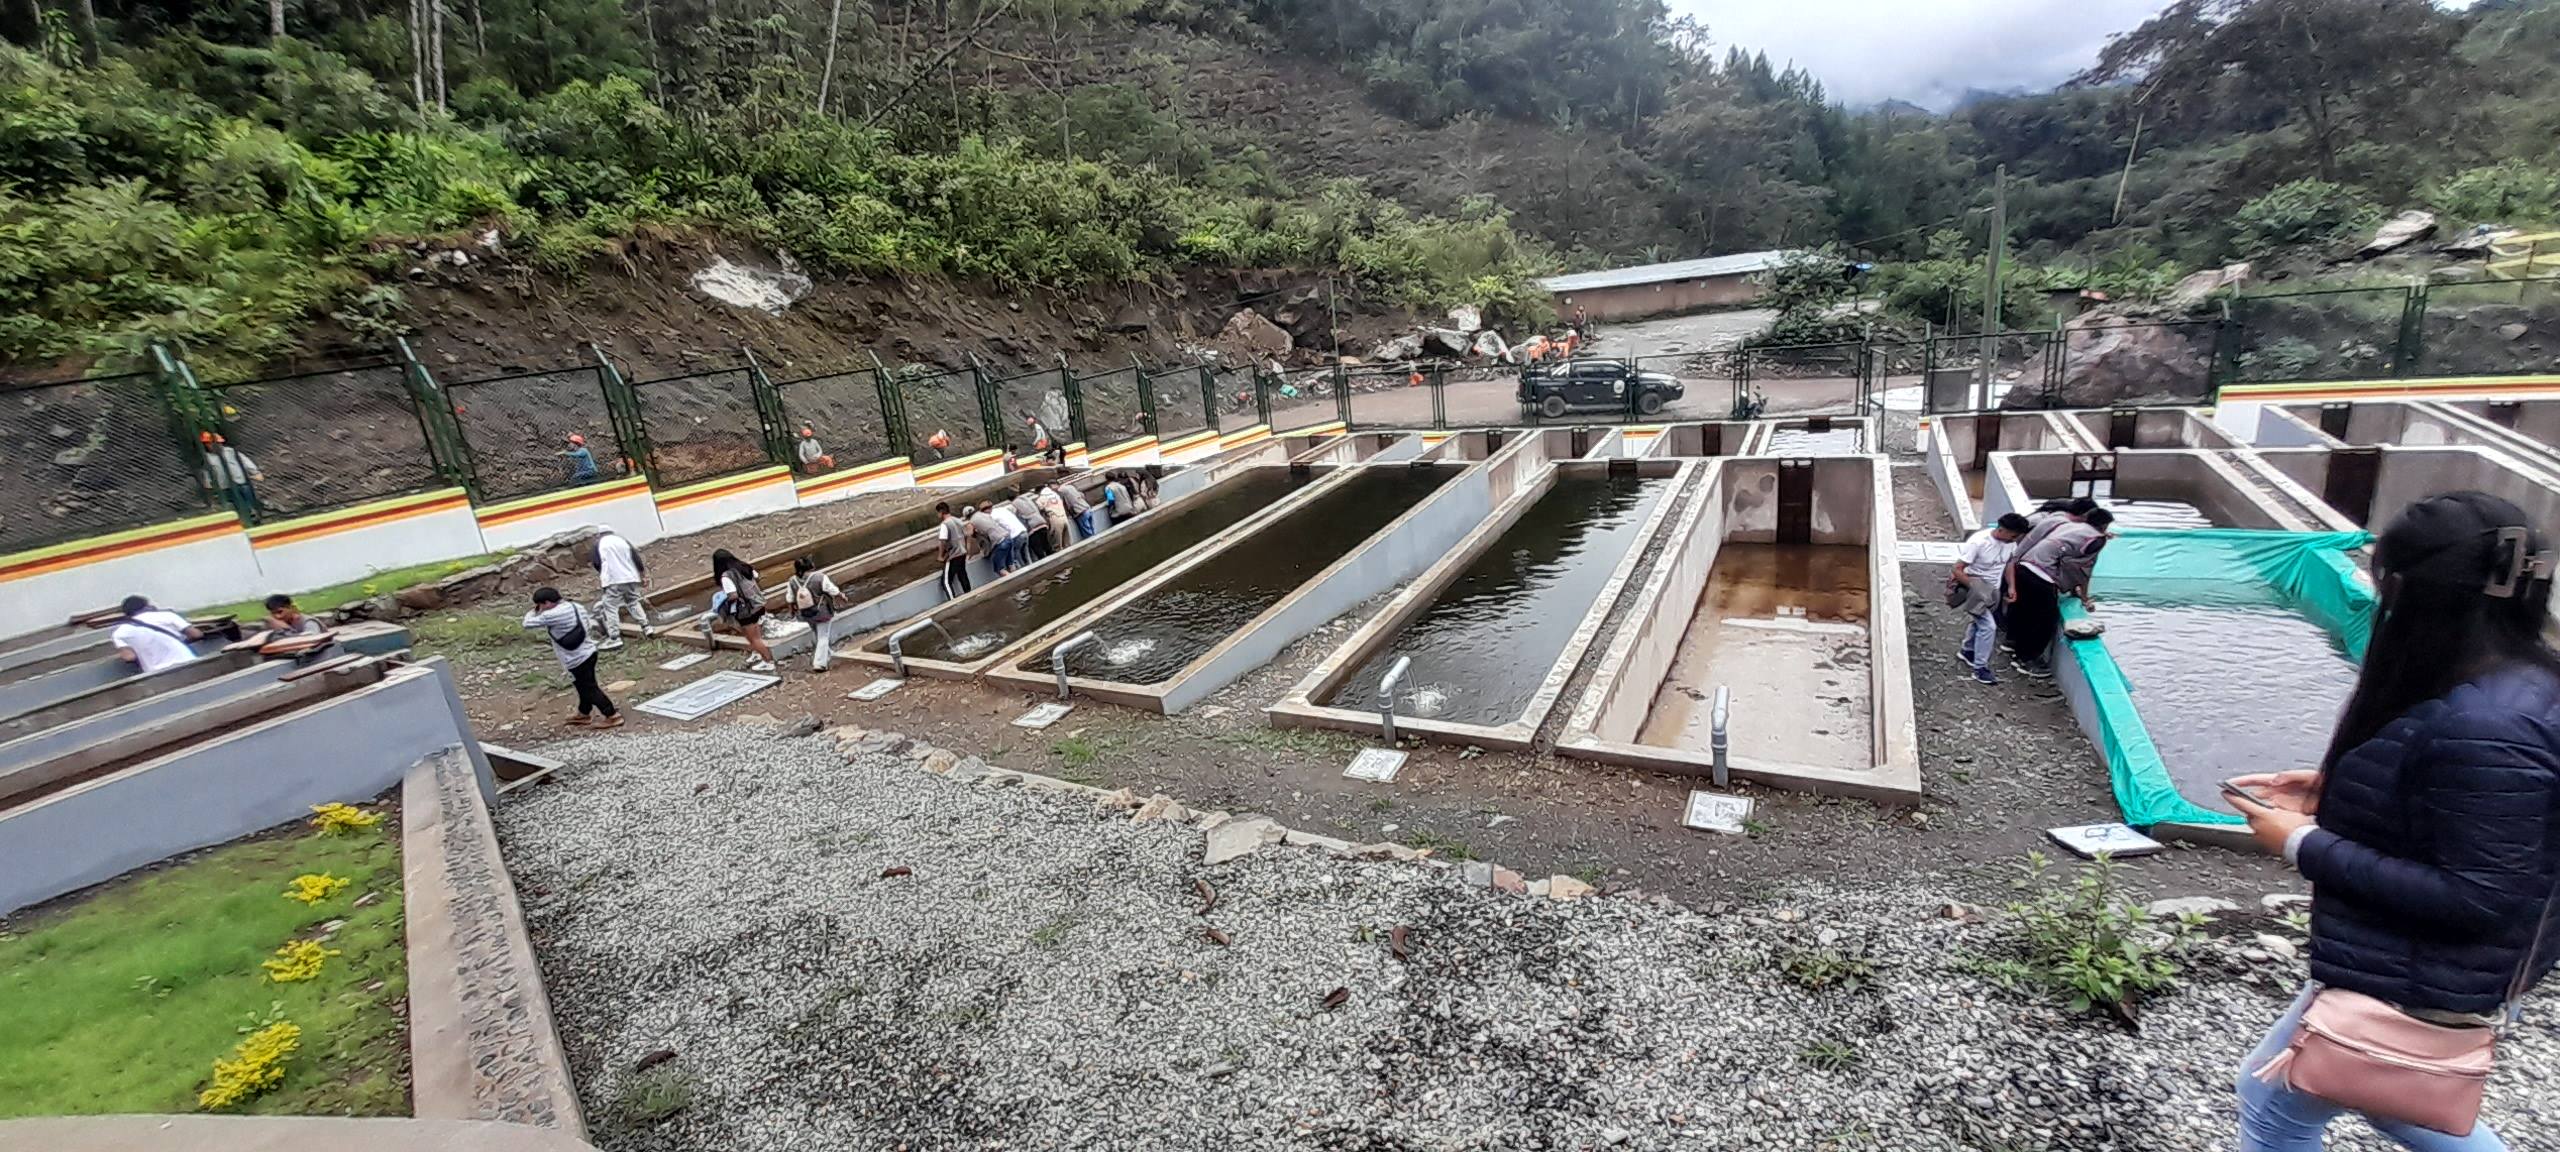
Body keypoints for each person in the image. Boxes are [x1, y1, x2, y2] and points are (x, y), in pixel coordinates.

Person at [2226, 492, 2560, 1152]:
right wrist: (2335, 789)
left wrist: (2300, 843)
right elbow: (2489, 814)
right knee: (2393, 1097)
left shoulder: (2488, 727)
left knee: (2279, 1108)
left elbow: (2479, 894)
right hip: (2443, 969)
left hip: (2426, 974)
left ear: (2407, 589)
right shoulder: (2519, 685)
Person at [2002, 506, 2113, 679]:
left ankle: (2012, 644)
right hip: (2043, 574)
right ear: (2104, 526)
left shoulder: (2070, 525)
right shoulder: (2097, 539)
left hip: (2024, 566)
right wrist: (2083, 596)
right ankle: (2028, 660)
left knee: (2024, 610)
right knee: (2044, 621)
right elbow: (2083, 569)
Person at [1948, 513, 2029, 686]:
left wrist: (2011, 586)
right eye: (2013, 536)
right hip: (1975, 588)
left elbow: (2008, 564)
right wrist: (1975, 587)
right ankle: (1980, 668)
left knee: (1979, 621)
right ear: (2001, 530)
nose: (2014, 539)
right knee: (1988, 626)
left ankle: (1967, 650)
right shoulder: (1978, 542)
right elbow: (1957, 568)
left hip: (1994, 589)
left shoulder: (2010, 543)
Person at [523, 587, 620, 728]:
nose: (541, 608)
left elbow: (527, 623)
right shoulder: (576, 606)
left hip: (576, 658)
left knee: (589, 689)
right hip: (589, 651)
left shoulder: (552, 614)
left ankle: (612, 715)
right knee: (582, 687)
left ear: (547, 603)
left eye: (541, 605)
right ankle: (584, 713)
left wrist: (534, 611)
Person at [708, 549, 778, 672]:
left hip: (745, 610)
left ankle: (768, 661)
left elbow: (733, 595)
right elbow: (757, 577)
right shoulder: (744, 567)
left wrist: (724, 603)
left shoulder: (726, 577)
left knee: (753, 638)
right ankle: (757, 653)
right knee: (756, 635)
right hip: (757, 604)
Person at [110, 595, 202, 675]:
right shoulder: (167, 615)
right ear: (147, 606)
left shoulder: (120, 633)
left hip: (156, 673)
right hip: (188, 662)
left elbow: (129, 657)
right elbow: (196, 634)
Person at [592, 529, 646, 649]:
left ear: (599, 534)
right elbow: (636, 558)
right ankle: (646, 627)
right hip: (630, 577)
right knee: (633, 602)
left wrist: (604, 575)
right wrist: (642, 574)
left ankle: (614, 638)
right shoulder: (622, 540)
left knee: (610, 607)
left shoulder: (599, 543)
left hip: (613, 579)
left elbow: (596, 563)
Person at [788, 557, 842, 673]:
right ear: (810, 566)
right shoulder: (820, 577)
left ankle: (828, 654)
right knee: (823, 636)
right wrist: (842, 596)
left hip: (805, 613)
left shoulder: (792, 581)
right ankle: (819, 663)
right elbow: (833, 590)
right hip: (821, 611)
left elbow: (790, 598)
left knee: (818, 633)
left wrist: (792, 612)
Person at [198, 431, 262, 515]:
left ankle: (252, 510)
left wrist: (255, 471)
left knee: (247, 495)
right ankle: (244, 513)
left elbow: (244, 460)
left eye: (215, 443)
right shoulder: (208, 458)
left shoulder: (230, 452)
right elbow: (207, 472)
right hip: (225, 486)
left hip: (240, 481)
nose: (212, 445)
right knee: (235, 502)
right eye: (208, 444)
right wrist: (208, 485)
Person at [968, 501, 1015, 577]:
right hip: (1007, 537)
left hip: (1000, 542)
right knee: (1010, 564)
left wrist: (970, 553)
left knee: (999, 569)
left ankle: (1013, 581)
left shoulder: (971, 522)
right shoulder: (983, 514)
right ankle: (1020, 579)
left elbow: (970, 535)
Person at [936, 501, 972, 597]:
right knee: (962, 575)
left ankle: (953, 600)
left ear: (941, 512)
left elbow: (942, 541)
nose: (937, 515)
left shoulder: (945, 524)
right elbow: (967, 535)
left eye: (938, 513)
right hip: (962, 552)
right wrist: (967, 549)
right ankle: (969, 594)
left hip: (953, 555)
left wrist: (940, 556)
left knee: (946, 582)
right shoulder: (958, 520)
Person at [987, 497, 1030, 574]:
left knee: (1015, 557)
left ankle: (1023, 574)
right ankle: (1032, 569)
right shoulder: (1002, 509)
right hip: (1023, 530)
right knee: (1026, 554)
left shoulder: (992, 516)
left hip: (1015, 535)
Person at [1011, 487, 1052, 562]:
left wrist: (1026, 529)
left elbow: (1019, 518)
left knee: (1039, 551)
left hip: (1032, 527)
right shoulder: (1026, 498)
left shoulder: (1014, 504)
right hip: (1041, 522)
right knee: (1047, 546)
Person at [260, 594, 326, 637]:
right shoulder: (276, 624)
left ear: (290, 608)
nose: (277, 616)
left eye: (280, 612)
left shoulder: (309, 622)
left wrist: (287, 629)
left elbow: (311, 640)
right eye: (273, 613)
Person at [1036, 482, 1071, 551]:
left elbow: (1039, 508)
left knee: (1057, 546)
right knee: (1067, 544)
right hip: (1064, 517)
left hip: (1055, 519)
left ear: (1039, 491)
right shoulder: (1055, 494)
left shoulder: (1041, 498)